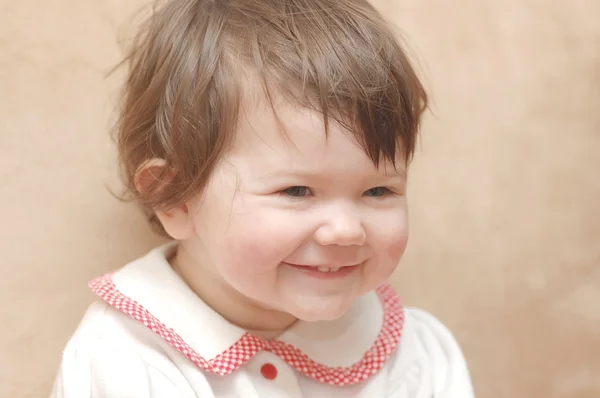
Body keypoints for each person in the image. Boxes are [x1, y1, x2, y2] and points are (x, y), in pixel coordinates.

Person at [51, 0, 474, 396]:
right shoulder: (123, 359)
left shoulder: (414, 354)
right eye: (296, 190)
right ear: (175, 198)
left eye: (378, 190)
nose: (346, 230)